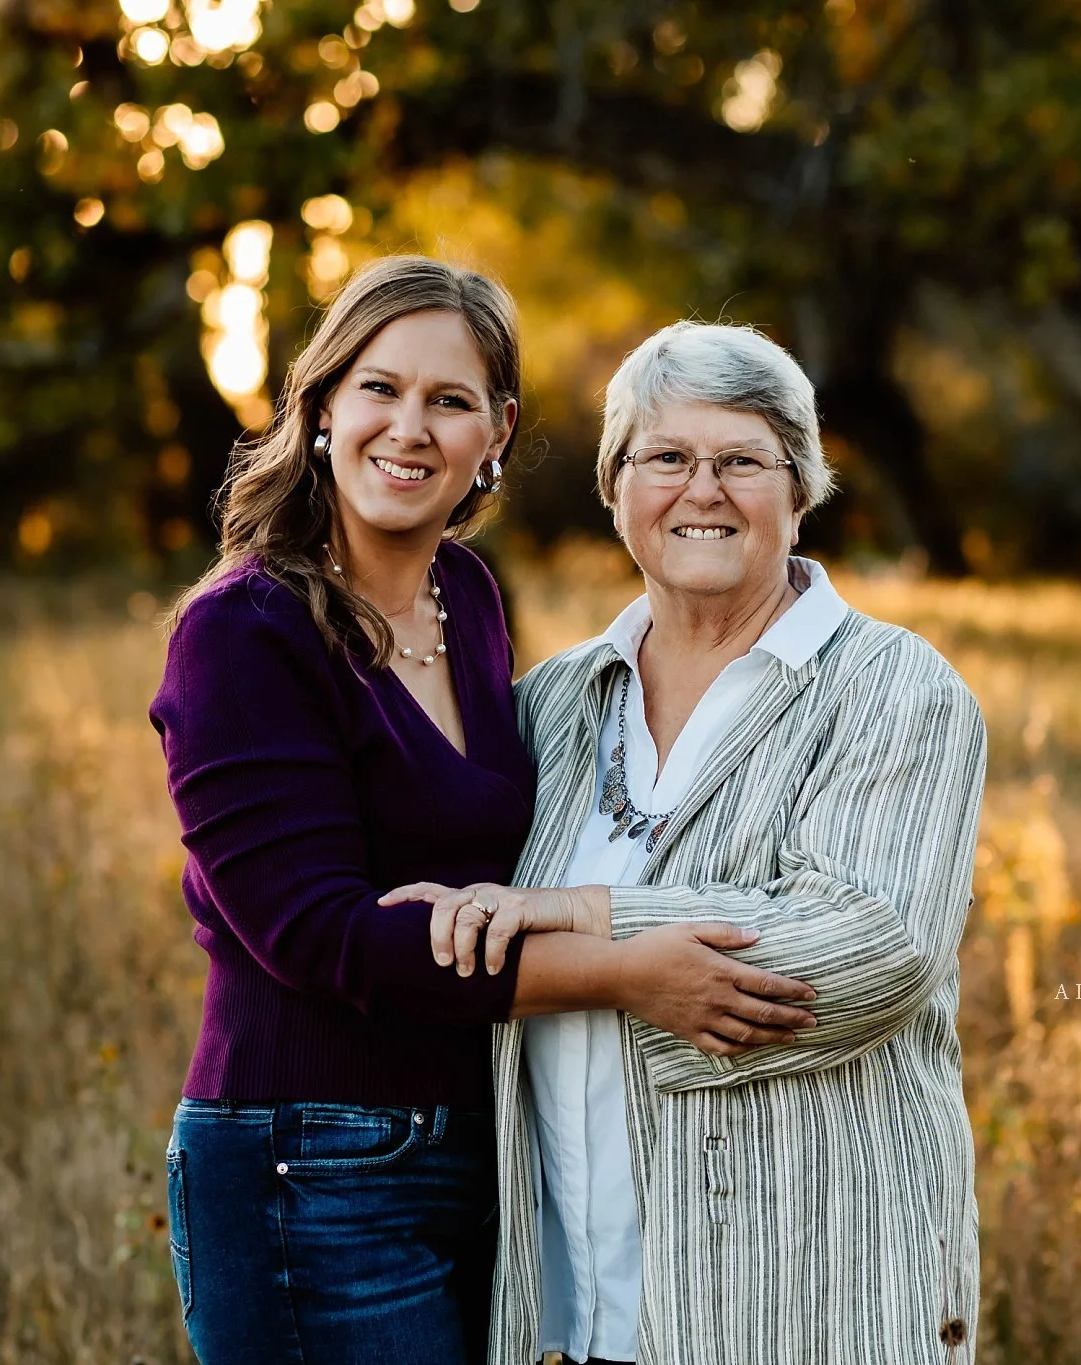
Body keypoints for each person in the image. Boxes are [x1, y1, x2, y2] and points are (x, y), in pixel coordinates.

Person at [150, 262, 819, 1365]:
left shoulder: (465, 595)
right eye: (379, 388)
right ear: (321, 407)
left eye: (449, 400)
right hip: (304, 1158)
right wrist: (626, 972)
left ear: (496, 432)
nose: (409, 428)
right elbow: (319, 934)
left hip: (484, 1153)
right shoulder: (243, 630)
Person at [393, 321, 990, 1365]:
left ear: (800, 490)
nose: (701, 490)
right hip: (570, 1312)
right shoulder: (550, 703)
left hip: (801, 1303)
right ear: (614, 487)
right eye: (664, 457)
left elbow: (867, 947)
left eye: (742, 462)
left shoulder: (894, 690)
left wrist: (583, 916)